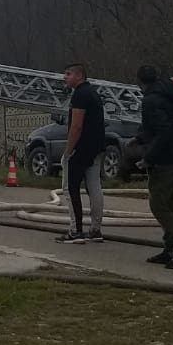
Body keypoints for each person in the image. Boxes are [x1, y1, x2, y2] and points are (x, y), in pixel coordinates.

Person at [136, 65, 173, 268]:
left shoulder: (150, 101)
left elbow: (162, 131)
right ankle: (170, 249)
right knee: (170, 205)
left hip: (164, 159)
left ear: (140, 82)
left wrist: (148, 157)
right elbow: (169, 124)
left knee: (159, 205)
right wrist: (139, 138)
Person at [56, 63, 106, 244]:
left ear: (79, 76)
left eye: (68, 74)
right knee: (94, 188)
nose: (65, 77)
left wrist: (68, 151)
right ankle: (95, 230)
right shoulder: (93, 93)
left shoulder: (79, 95)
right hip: (96, 148)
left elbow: (76, 126)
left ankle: (75, 231)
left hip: (81, 148)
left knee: (70, 189)